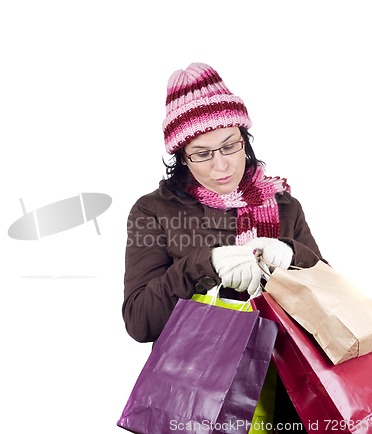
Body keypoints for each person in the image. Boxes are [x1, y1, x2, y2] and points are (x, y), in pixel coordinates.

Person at [122, 62, 324, 431]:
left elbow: (327, 305)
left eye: (230, 146)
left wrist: (293, 257)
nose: (221, 165)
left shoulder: (283, 205)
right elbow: (140, 321)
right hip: (195, 401)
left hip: (287, 398)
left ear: (245, 139)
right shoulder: (155, 210)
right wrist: (205, 265)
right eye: (201, 153)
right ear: (181, 156)